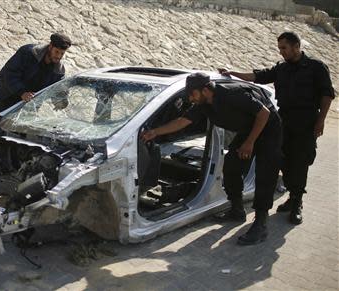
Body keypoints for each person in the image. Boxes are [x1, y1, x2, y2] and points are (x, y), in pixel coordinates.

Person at [142, 73, 282, 245]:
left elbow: (264, 113)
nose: (190, 98)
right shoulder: (203, 104)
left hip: (268, 128)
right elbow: (182, 121)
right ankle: (237, 210)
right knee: (231, 166)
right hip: (248, 129)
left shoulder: (232, 94)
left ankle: (261, 224)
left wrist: (249, 143)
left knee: (265, 174)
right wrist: (155, 132)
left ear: (206, 90)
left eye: (193, 94)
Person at [219, 31, 335, 225]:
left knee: (300, 160)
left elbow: (327, 95)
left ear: (296, 46)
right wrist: (232, 74)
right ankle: (291, 195)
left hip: (306, 122)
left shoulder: (316, 67)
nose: (281, 52)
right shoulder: (281, 68)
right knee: (282, 159)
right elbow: (258, 76)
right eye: (280, 48)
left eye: (284, 48)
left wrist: (321, 121)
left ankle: (296, 202)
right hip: (284, 121)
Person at [0, 33, 72, 113]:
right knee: (1, 121)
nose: (58, 56)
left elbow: (59, 89)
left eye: (62, 53)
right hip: (8, 92)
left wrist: (60, 102)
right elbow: (9, 73)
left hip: (30, 102)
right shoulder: (28, 52)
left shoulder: (58, 71)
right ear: (50, 46)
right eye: (56, 52)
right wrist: (22, 92)